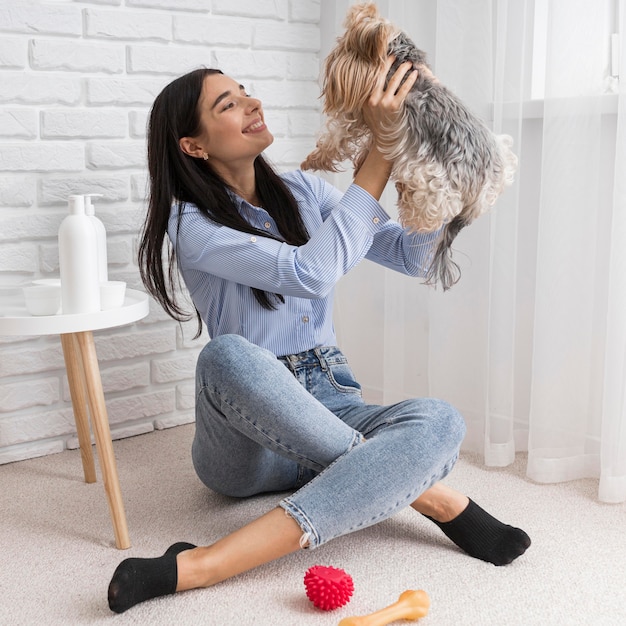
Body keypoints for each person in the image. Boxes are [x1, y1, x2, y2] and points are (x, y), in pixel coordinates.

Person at [107, 59, 531, 614]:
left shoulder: (305, 192)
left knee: (442, 420)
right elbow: (311, 272)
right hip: (248, 437)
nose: (251, 105)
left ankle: (202, 564)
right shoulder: (193, 227)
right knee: (227, 355)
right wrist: (380, 152)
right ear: (192, 146)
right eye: (227, 105)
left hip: (330, 398)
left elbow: (409, 257)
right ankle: (436, 499)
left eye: (245, 93)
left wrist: (439, 170)